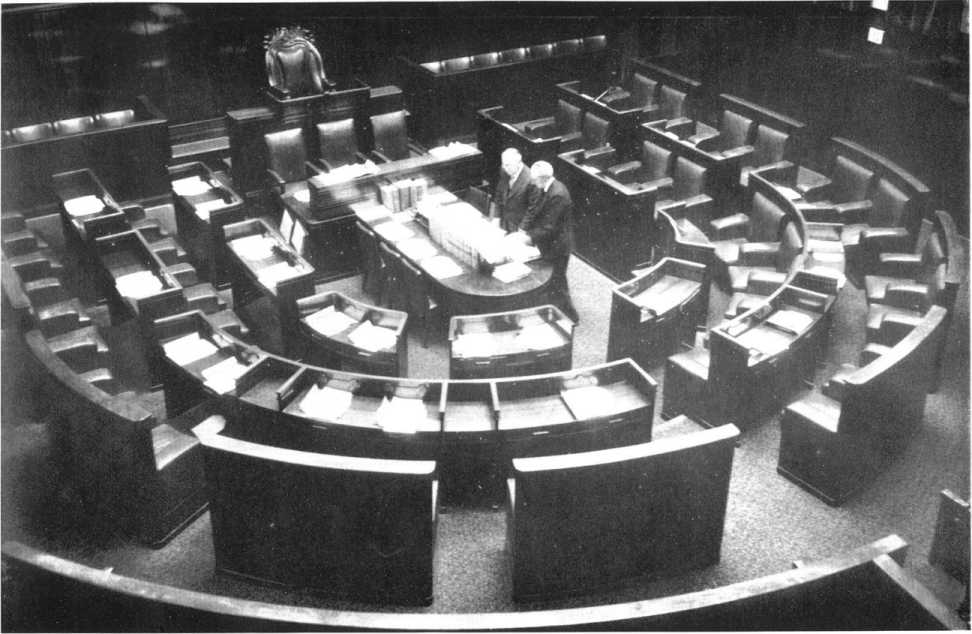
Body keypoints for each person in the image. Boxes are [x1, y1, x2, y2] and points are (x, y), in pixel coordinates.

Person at [509, 160, 579, 323]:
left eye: (534, 180)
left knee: (557, 281)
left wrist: (527, 238)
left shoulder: (558, 194)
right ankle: (552, 311)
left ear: (542, 178)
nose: (533, 183)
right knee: (554, 281)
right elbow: (536, 211)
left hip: (558, 246)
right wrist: (524, 231)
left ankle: (571, 316)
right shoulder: (546, 188)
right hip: (549, 242)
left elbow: (549, 227)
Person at [489, 148, 536, 232]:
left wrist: (522, 229)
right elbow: (499, 194)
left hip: (518, 226)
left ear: (518, 163)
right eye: (503, 164)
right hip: (503, 222)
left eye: (507, 165)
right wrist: (496, 217)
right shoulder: (504, 170)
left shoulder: (531, 179)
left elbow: (532, 210)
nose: (504, 167)